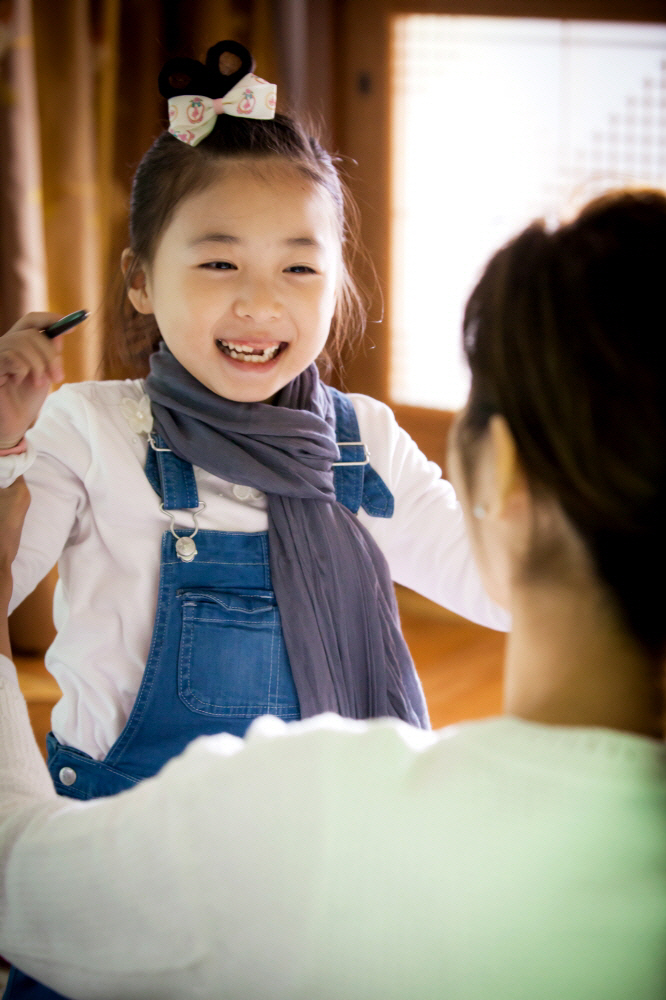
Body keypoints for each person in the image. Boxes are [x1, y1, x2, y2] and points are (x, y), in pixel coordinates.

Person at [1, 189, 665, 1000]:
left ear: (499, 471)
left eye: (300, 265)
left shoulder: (361, 447)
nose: (258, 299)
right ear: (140, 279)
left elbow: (20, 880)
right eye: (218, 261)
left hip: (171, 870)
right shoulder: (90, 428)